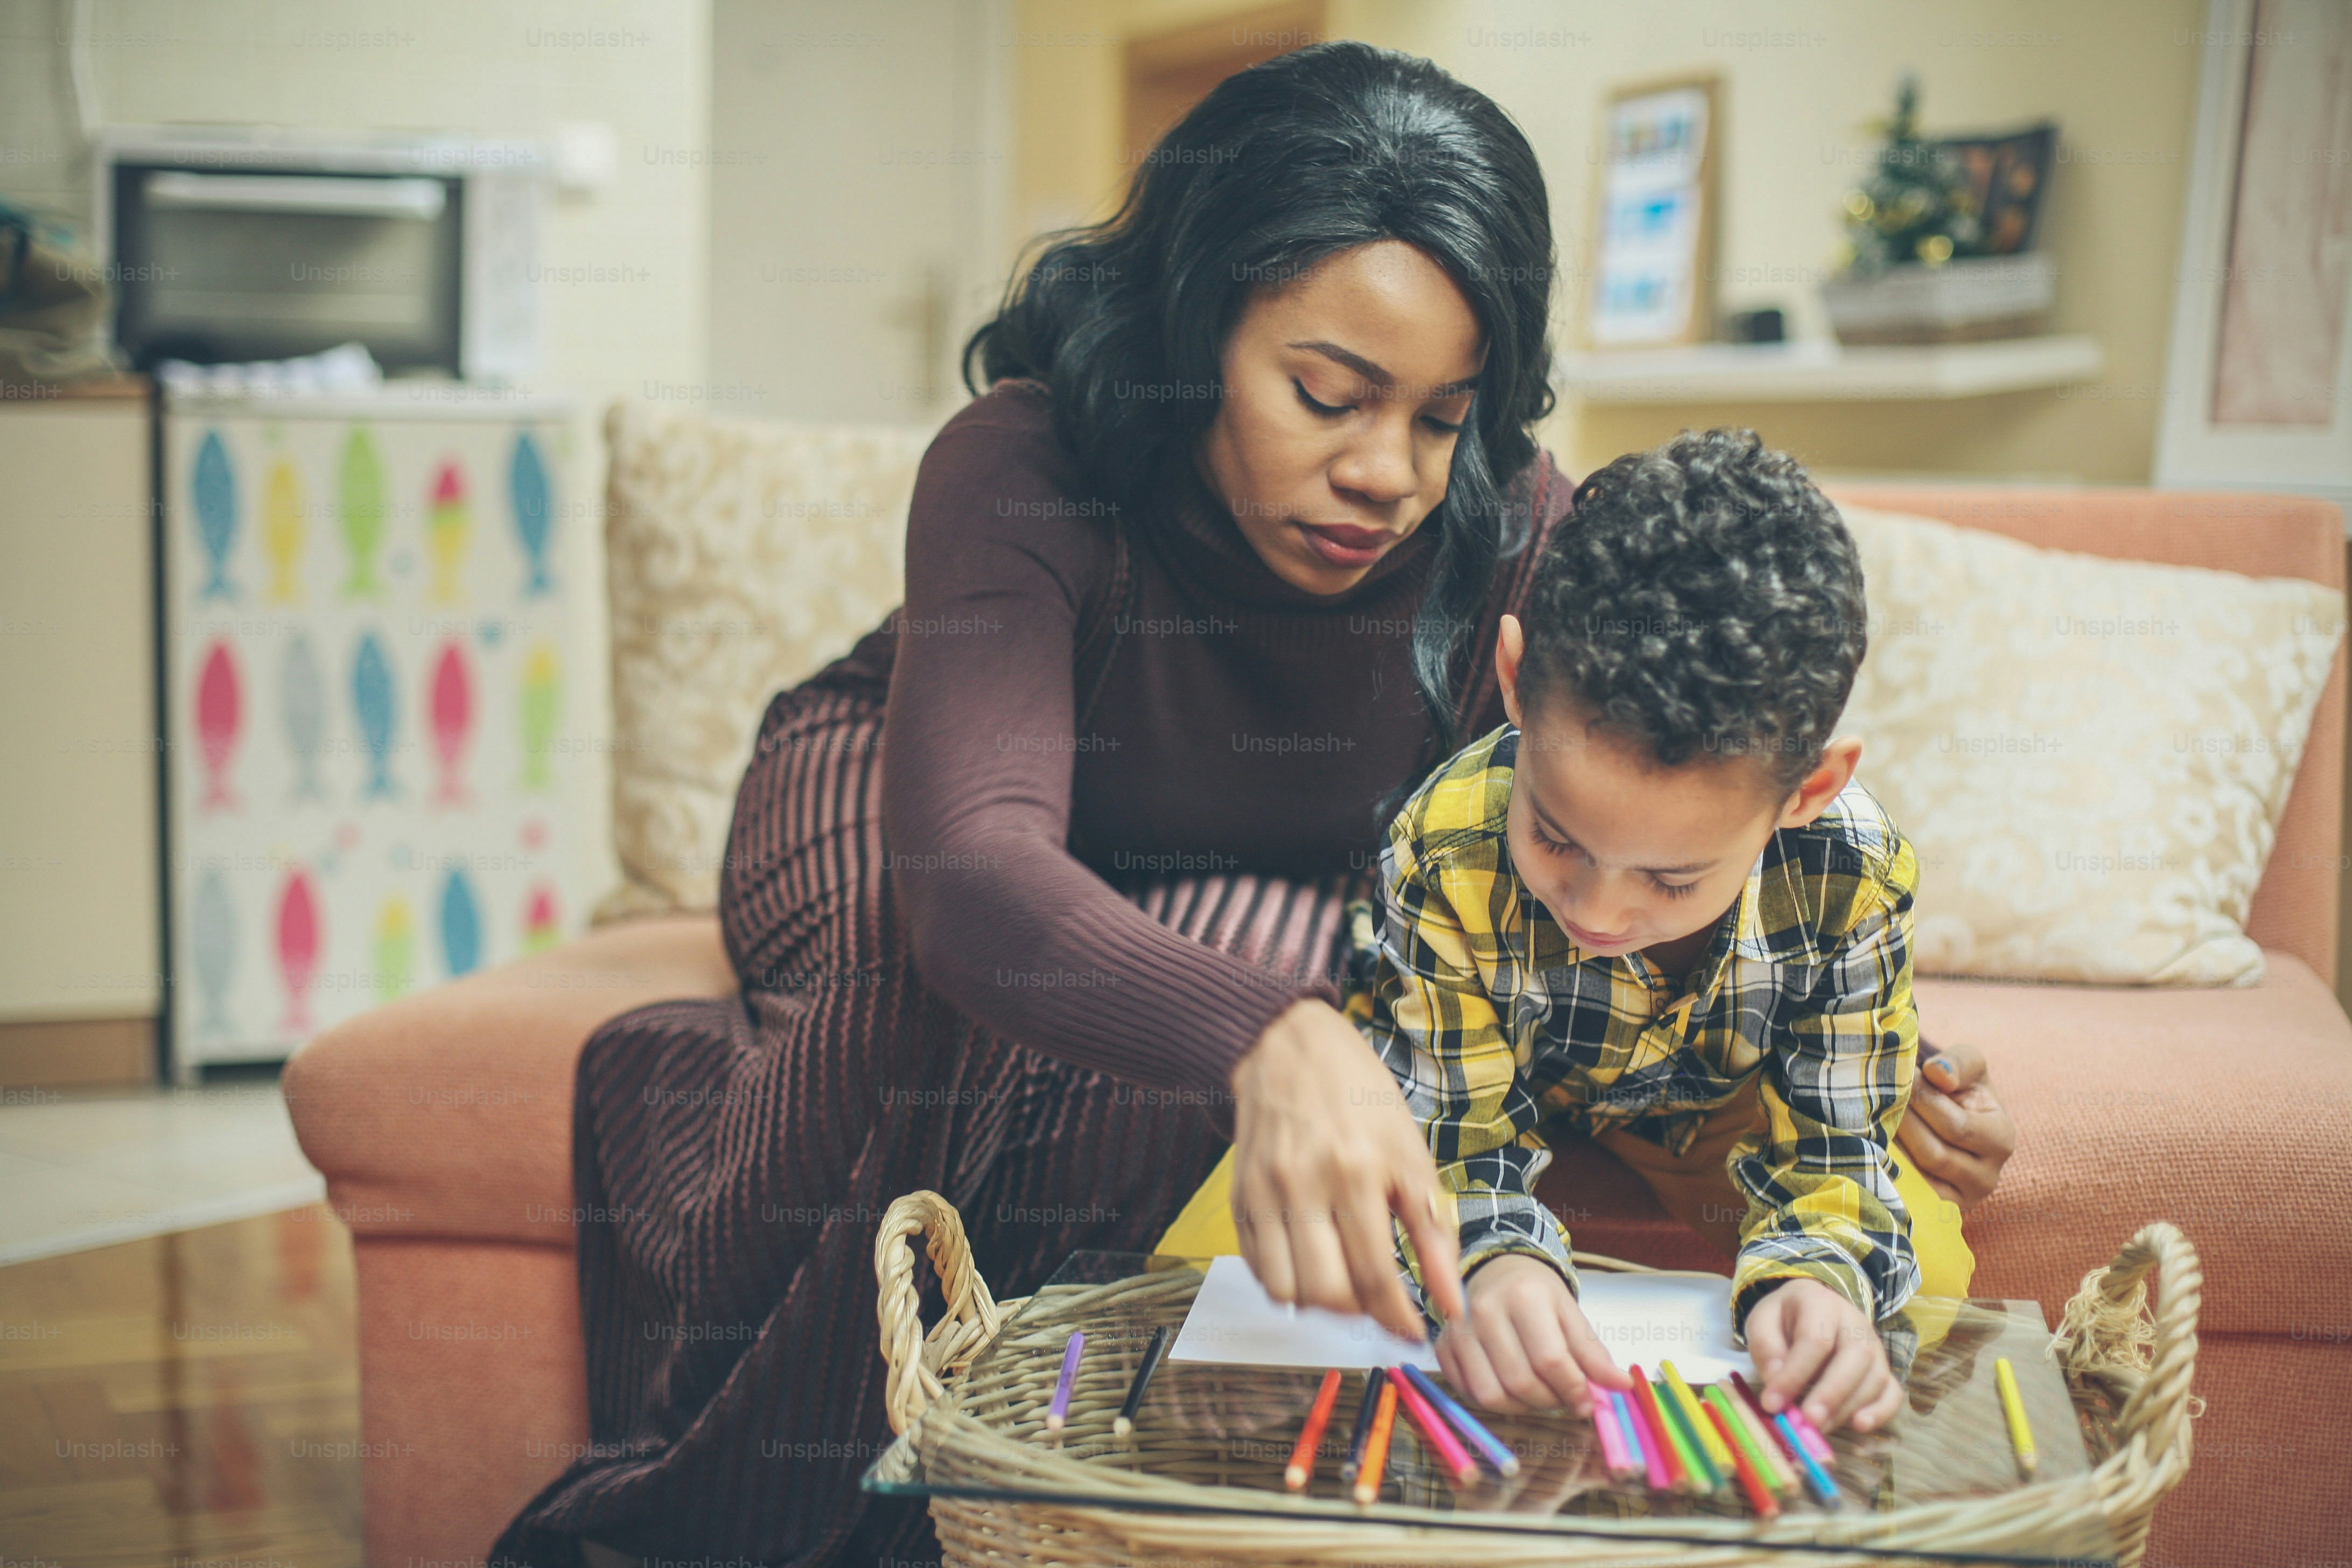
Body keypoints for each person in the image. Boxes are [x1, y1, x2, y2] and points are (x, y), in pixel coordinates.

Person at [493, 45, 2013, 1567]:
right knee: (954, 988)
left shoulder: (1514, 537)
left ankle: (1037, 1482)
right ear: (1201, 316)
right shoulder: (1026, 460)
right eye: (1328, 395)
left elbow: (1632, 834)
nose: (1387, 476)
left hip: (1241, 891)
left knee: (1318, 985)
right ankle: (741, 1479)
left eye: (1440, 417)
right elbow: (971, 871)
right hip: (907, 800)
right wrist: (1264, 1037)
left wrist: (1836, 1042)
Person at [1364, 429, 1962, 1437]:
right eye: (1554, 837)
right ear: (1514, 681)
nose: (1597, 913)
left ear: (1808, 791)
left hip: (1709, 1118)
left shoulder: (1853, 875)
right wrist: (1495, 1257)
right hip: (1479, 1086)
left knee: (1925, 1271)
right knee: (1256, 1248)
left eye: (1674, 879)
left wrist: (1815, 1285)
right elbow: (1447, 1136)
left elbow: (1837, 1149)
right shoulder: (1444, 844)